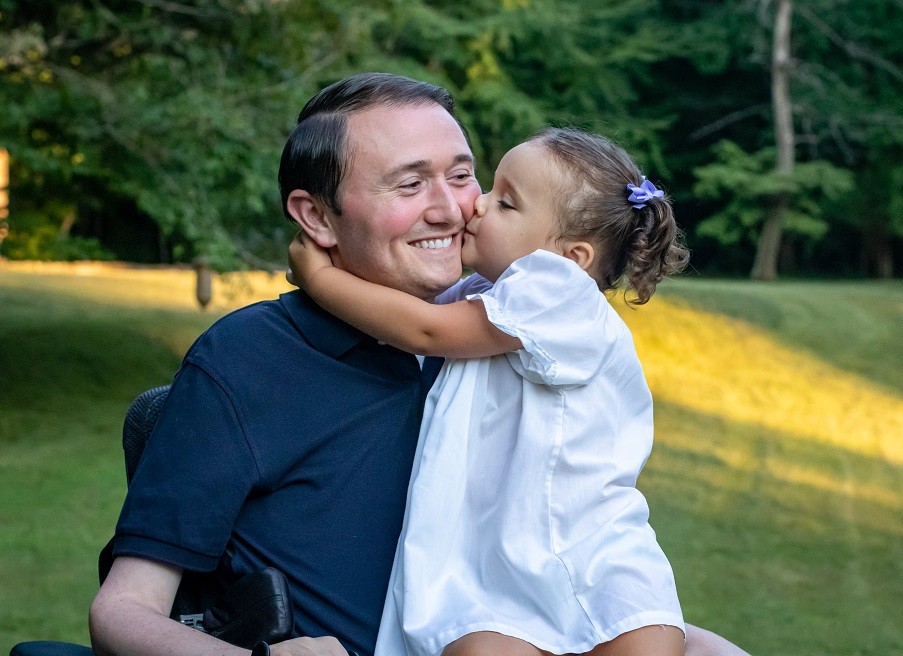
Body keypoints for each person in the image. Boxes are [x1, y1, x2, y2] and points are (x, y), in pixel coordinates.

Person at [89, 73, 749, 656]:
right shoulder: (247, 360)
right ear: (315, 216)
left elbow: (580, 573)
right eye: (410, 183)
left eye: (462, 175)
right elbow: (121, 613)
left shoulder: (508, 351)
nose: (453, 207)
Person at [288, 126, 687, 656]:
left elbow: (424, 329)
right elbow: (409, 308)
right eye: (490, 187)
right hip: (515, 558)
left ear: (572, 256)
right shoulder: (490, 294)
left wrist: (320, 278)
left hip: (585, 547)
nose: (476, 204)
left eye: (507, 203)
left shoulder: (556, 290)